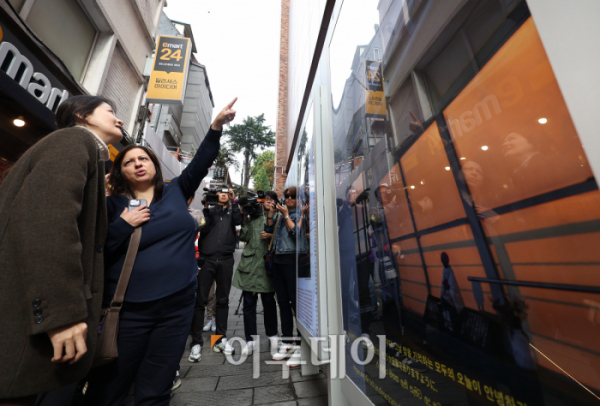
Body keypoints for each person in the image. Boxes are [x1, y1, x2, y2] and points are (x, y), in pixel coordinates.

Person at [82, 98, 237, 405]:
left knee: (156, 388)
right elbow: (95, 250)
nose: (138, 163)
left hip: (177, 307)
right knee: (111, 388)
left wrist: (216, 126)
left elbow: (202, 160)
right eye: (129, 162)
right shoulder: (112, 206)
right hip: (129, 311)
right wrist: (124, 225)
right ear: (120, 172)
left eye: (143, 158)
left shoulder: (177, 190)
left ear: (154, 164)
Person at [0, 95, 123, 404]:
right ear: (83, 115)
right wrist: (61, 315)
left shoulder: (85, 151)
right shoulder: (72, 141)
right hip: (23, 321)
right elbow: (47, 223)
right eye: (110, 111)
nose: (119, 119)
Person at [189, 186, 243, 360]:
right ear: (215, 195)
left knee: (223, 300)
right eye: (220, 193)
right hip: (207, 260)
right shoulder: (209, 212)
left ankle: (219, 339)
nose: (223, 195)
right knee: (200, 300)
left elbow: (238, 221)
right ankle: (196, 343)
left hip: (226, 260)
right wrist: (206, 207)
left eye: (227, 193)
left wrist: (235, 202)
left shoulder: (231, 212)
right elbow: (203, 229)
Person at [265, 187, 309, 368]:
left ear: (298, 200)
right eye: (286, 196)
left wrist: (285, 215)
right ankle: (287, 341)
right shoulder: (279, 215)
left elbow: (297, 235)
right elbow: (268, 228)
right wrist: (271, 212)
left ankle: (300, 345)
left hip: (293, 263)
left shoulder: (300, 215)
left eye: (293, 197)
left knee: (295, 304)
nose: (289, 199)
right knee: (282, 303)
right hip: (278, 262)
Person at [232, 191, 280, 356]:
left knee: (269, 303)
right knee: (248, 305)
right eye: (265, 199)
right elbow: (244, 236)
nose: (267, 201)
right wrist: (244, 216)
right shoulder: (254, 217)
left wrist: (272, 234)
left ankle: (273, 336)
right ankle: (250, 340)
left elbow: (283, 237)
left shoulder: (279, 217)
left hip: (267, 267)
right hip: (250, 267)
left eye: (270, 199)